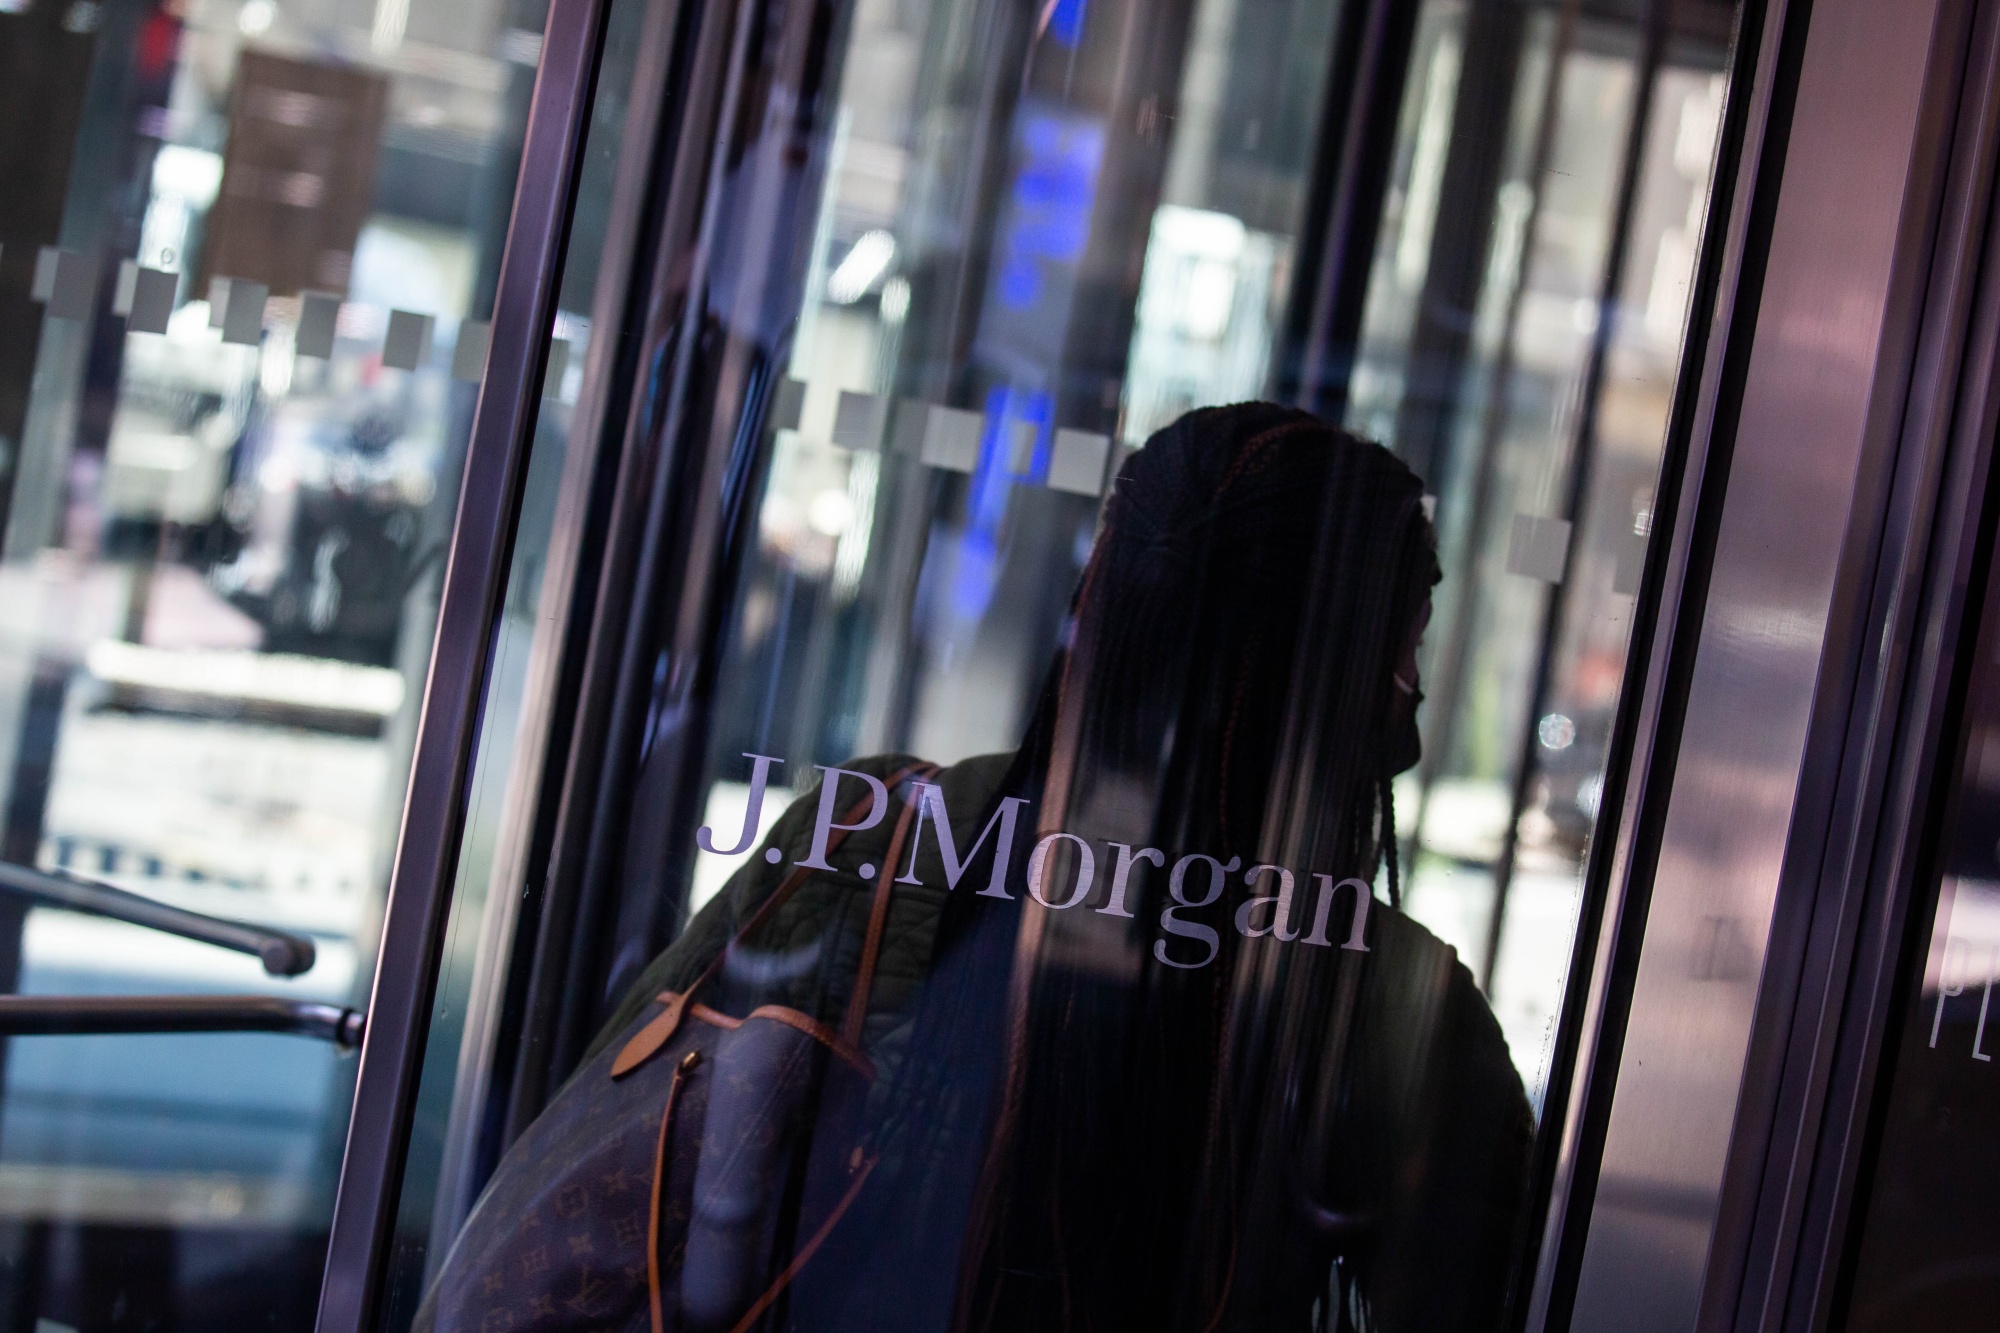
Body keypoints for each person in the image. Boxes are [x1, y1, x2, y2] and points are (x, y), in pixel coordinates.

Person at [420, 402, 1533, 1333]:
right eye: (1404, 648)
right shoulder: (1395, 1003)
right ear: (1326, 684)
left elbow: (617, 1122)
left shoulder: (881, 833)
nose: (1414, 706)